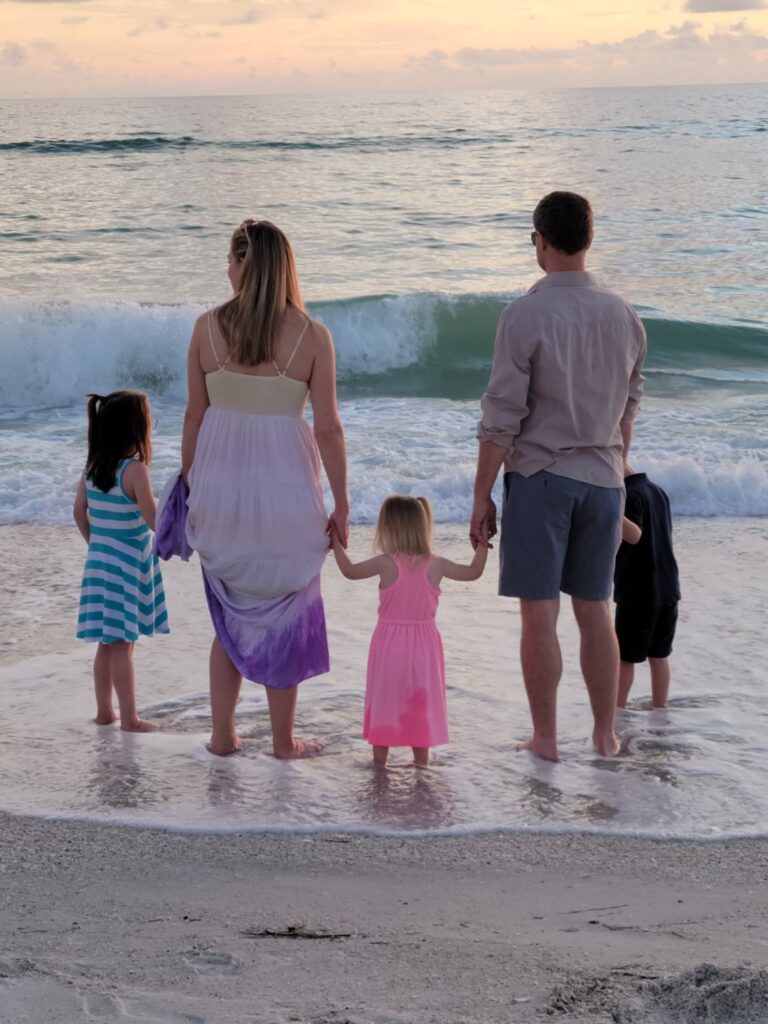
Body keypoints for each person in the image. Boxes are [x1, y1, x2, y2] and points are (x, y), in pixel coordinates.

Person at [471, 190, 647, 761]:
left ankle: (545, 739)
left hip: (541, 477)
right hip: (603, 480)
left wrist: (481, 497)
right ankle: (604, 734)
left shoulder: (523, 314)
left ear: (540, 241)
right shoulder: (624, 315)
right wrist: (615, 470)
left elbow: (501, 417)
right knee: (595, 608)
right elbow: (629, 406)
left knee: (540, 613)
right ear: (588, 239)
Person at [182, 219, 348, 758]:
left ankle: (223, 735)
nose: (226, 272)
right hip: (286, 492)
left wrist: (190, 484)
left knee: (229, 615)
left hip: (220, 492)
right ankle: (282, 742)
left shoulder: (205, 329)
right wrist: (342, 503)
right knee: (285, 614)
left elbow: (194, 416)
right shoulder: (312, 336)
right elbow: (327, 429)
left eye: (230, 262)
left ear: (241, 265)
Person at [330, 495, 488, 768]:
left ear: (389, 527)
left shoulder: (386, 563)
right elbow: (474, 572)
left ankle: (379, 765)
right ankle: (421, 766)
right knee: (420, 702)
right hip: (424, 645)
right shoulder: (436, 564)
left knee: (385, 700)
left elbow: (349, 571)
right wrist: (483, 542)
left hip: (389, 643)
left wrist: (334, 540)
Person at [74, 391, 167, 732]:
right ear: (136, 429)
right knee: (123, 645)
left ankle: (104, 713)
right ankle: (129, 718)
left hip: (100, 563)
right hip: (127, 567)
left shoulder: (93, 467)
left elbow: (78, 512)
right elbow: (155, 522)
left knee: (106, 642)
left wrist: (96, 544)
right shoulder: (136, 470)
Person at [614, 466, 680, 709]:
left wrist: (606, 505)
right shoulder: (658, 491)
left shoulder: (629, 495)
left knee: (625, 658)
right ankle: (660, 710)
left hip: (638, 589)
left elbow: (635, 534)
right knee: (659, 656)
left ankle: (617, 711)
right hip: (668, 587)